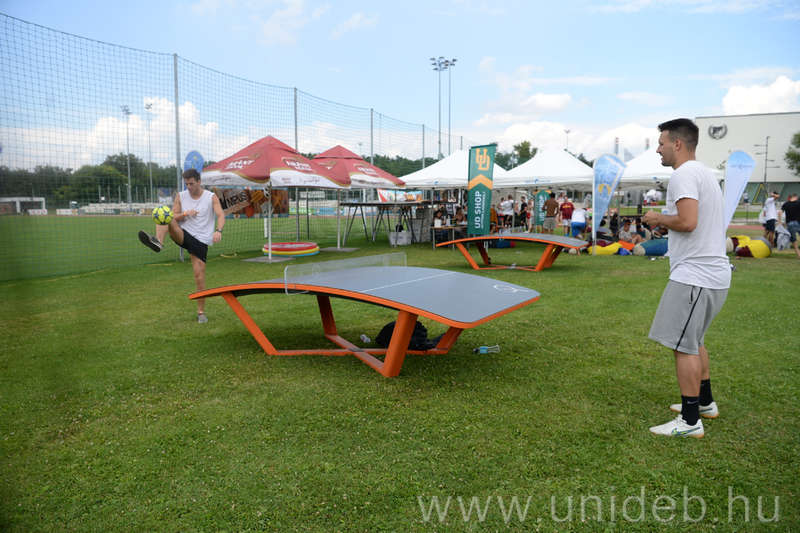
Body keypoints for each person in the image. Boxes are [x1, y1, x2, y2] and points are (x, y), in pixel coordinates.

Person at [642, 118, 731, 438]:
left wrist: (657, 217)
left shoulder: (683, 174)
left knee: (682, 347)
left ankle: (690, 420)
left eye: (661, 143)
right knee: (693, 341)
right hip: (710, 275)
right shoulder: (703, 172)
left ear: (677, 144)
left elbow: (688, 221)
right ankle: (704, 403)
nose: (658, 149)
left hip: (695, 275)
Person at [138, 168, 225, 323]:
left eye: (191, 184)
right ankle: (159, 242)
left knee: (199, 278)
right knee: (164, 213)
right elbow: (174, 217)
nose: (188, 187)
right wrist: (185, 213)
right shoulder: (181, 196)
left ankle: (201, 312)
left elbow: (220, 215)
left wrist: (218, 230)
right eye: (186, 184)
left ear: (199, 182)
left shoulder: (210, 197)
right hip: (183, 234)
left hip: (201, 240)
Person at [779, 192, 800, 259]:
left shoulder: (786, 204)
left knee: (793, 240)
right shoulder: (798, 203)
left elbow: (780, 213)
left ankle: (799, 255)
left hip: (790, 223)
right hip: (799, 222)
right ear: (795, 197)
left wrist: (780, 222)